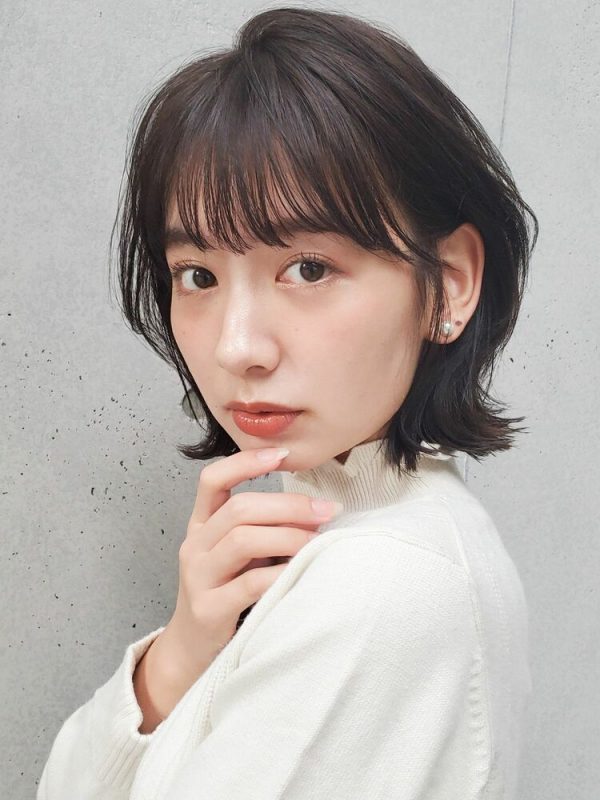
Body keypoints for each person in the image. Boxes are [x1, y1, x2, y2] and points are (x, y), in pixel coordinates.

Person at [37, 6, 538, 799]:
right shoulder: (362, 542)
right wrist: (181, 653)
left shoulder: (384, 583)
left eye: (308, 268)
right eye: (198, 275)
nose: (237, 346)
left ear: (450, 282)